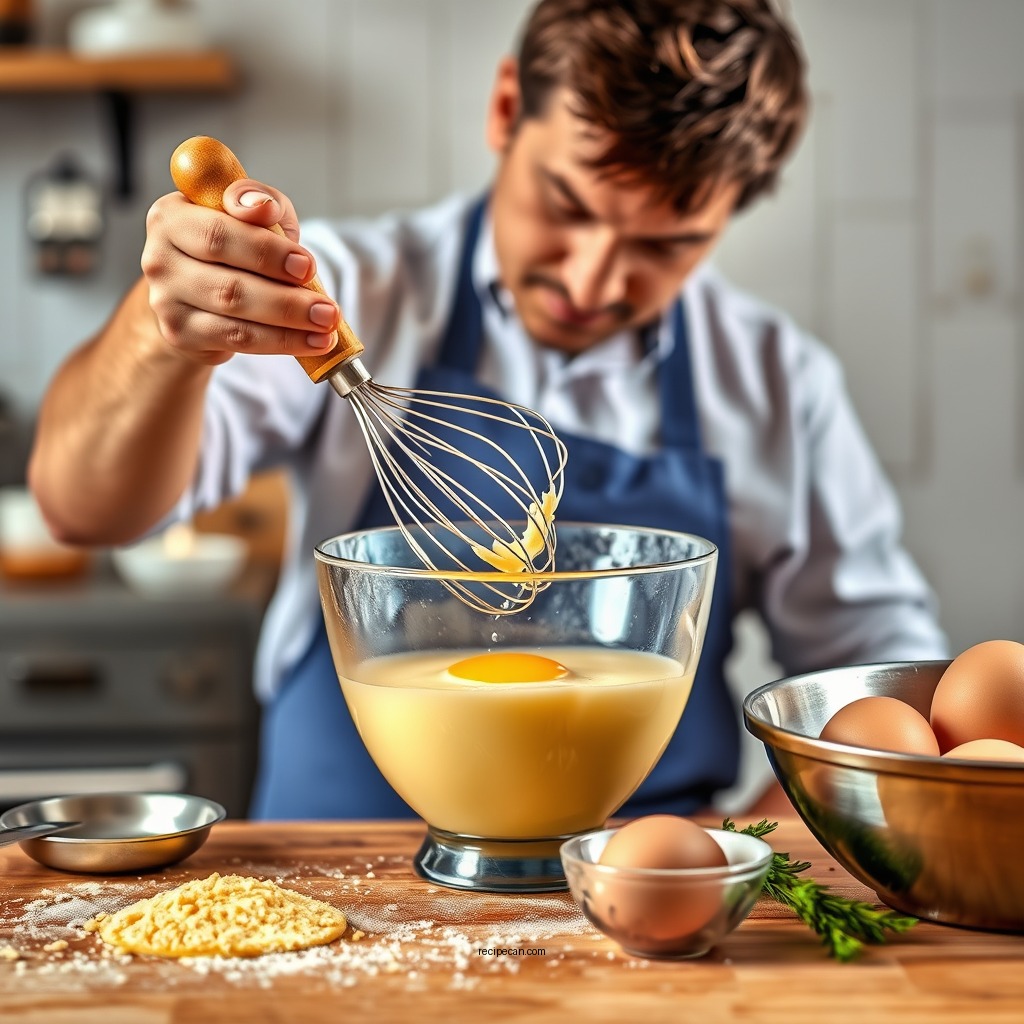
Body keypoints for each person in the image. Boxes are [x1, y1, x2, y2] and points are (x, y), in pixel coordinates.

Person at [29, 0, 948, 821]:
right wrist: (163, 342)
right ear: (508, 109)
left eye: (666, 245)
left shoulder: (777, 384)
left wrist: (751, 851)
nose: (593, 279)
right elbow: (84, 507)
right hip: (344, 875)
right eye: (566, 203)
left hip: (637, 909)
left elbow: (881, 685)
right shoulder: (345, 295)